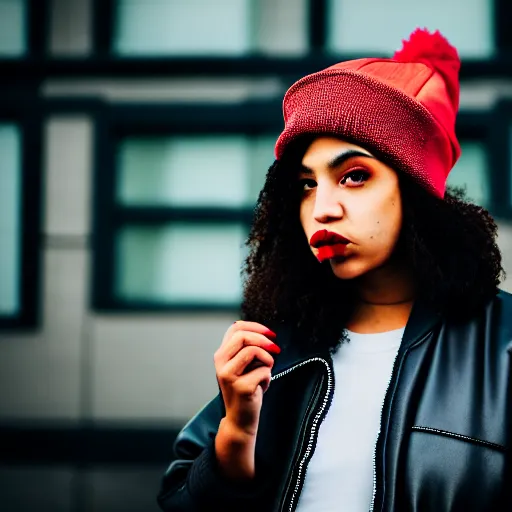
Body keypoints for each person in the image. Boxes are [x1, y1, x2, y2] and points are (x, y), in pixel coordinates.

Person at [157, 28, 511, 511]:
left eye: (354, 176)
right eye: (306, 184)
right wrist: (236, 436)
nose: (322, 208)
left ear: (416, 191)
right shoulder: (278, 350)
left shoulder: (503, 347)